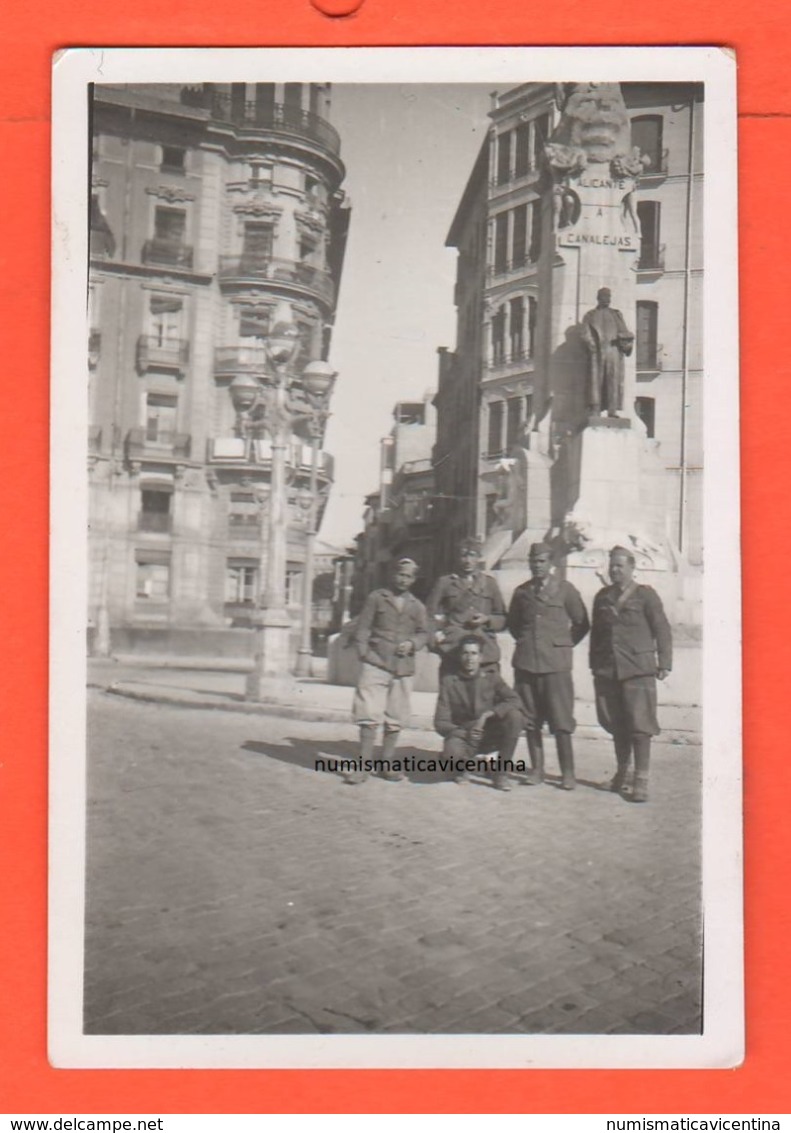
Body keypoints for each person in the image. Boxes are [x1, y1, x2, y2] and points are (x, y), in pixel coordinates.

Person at [589, 546, 673, 803]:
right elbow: (597, 635)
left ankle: (641, 781)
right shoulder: (602, 597)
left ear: (632, 567)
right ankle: (622, 775)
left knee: (640, 726)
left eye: (620, 566)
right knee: (615, 724)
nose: (614, 570)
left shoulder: (646, 596)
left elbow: (662, 628)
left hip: (638, 668)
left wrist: (664, 662)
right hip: (609, 669)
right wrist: (595, 665)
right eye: (612, 566)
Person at [507, 543, 590, 790]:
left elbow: (582, 623)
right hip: (526, 664)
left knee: (561, 720)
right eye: (533, 561)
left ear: (551, 563)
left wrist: (561, 645)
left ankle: (567, 773)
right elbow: (514, 625)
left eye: (542, 561)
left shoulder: (565, 590)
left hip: (556, 666)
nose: (537, 565)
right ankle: (537, 769)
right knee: (530, 719)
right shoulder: (521, 592)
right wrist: (528, 644)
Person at [347, 558, 428, 785]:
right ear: (393, 574)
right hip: (376, 663)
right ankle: (362, 767)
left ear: (414, 579)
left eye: (409, 576)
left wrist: (412, 644)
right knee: (368, 713)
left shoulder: (417, 606)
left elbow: (424, 633)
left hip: (402, 667)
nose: (404, 579)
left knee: (395, 716)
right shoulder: (377, 597)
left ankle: (386, 765)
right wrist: (364, 653)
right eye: (401, 574)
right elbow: (363, 627)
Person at [434, 636, 525, 791]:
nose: (470, 658)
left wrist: (487, 715)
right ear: (459, 656)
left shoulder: (491, 677)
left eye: (474, 653)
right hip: (464, 735)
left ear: (481, 657)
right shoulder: (449, 682)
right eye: (465, 653)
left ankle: (500, 773)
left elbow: (515, 700)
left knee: (515, 717)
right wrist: (465, 732)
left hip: (488, 732)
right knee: (451, 755)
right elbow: (440, 722)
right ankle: (461, 766)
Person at [425, 536, 507, 675]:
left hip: (484, 650)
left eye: (472, 555)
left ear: (478, 557)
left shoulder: (489, 583)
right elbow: (428, 615)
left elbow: (502, 618)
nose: (467, 560)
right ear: (458, 557)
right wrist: (434, 642)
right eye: (463, 555)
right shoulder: (445, 582)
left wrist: (487, 619)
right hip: (453, 650)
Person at [580, 287, 635, 417]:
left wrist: (626, 343)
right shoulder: (590, 315)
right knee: (596, 381)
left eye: (608, 297)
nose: (607, 299)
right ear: (598, 298)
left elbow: (624, 332)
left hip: (613, 351)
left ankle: (612, 410)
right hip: (597, 352)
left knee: (612, 381)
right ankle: (595, 409)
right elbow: (585, 333)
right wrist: (592, 346)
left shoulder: (616, 314)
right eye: (604, 296)